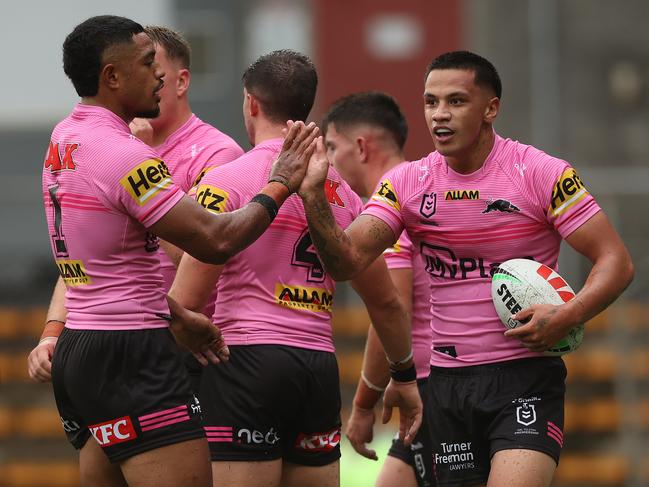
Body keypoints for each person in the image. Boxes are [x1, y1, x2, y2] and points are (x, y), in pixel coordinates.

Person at [298, 51, 634, 487]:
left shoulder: (539, 173)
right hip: (447, 385)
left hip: (525, 379)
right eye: (431, 102)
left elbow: (616, 261)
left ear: (490, 108)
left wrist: (569, 313)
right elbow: (346, 260)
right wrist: (312, 195)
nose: (440, 114)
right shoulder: (406, 183)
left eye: (456, 101)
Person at [37, 15, 318, 487]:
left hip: (85, 344)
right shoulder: (125, 154)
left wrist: (173, 315)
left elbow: (107, 265)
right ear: (112, 77)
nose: (160, 75)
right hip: (132, 353)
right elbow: (215, 239)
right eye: (148, 64)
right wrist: (280, 182)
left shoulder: (63, 139)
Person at [168, 51, 422, 487]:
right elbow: (386, 301)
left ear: (251, 103)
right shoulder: (342, 194)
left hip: (243, 362)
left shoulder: (226, 179)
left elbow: (186, 300)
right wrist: (403, 374)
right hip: (316, 368)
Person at [29, 26, 244, 388]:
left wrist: (144, 194)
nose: (153, 76)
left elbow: (200, 255)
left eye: (154, 65)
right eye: (144, 67)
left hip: (176, 350)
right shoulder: (107, 147)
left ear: (181, 82)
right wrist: (52, 332)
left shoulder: (216, 154)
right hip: (127, 343)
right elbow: (86, 253)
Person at [322, 91, 435, 487]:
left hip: (428, 384)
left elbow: (391, 307)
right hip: (438, 378)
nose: (330, 161)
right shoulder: (424, 187)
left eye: (332, 147)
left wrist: (363, 403)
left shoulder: (391, 206)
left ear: (360, 146)